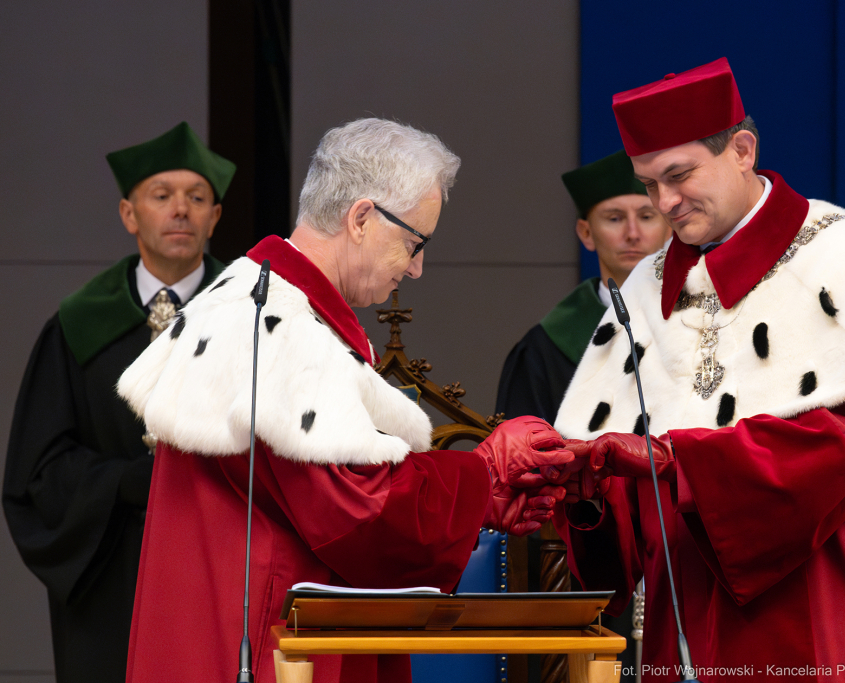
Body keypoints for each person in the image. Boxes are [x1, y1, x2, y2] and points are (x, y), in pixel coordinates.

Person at [115, 118, 574, 683]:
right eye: (414, 242)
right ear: (361, 218)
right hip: (268, 649)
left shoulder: (257, 305)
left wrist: (475, 496)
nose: (417, 267)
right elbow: (358, 512)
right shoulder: (274, 326)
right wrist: (484, 475)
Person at [552, 58, 845, 682]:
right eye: (648, 182)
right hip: (680, 637)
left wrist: (676, 464)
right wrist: (586, 486)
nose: (663, 203)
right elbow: (626, 536)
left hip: (822, 624)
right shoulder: (644, 290)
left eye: (679, 175)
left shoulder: (840, 255)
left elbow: (841, 449)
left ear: (742, 150)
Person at [3, 122, 234, 683]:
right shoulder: (78, 328)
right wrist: (123, 482)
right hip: (110, 572)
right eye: (162, 196)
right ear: (130, 214)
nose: (180, 210)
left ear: (215, 218)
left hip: (222, 568)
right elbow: (38, 473)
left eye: (196, 198)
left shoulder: (251, 320)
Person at [496, 150, 671, 423]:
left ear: (670, 229)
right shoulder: (546, 349)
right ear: (586, 233)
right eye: (614, 218)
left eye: (647, 216)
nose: (633, 233)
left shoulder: (701, 322)